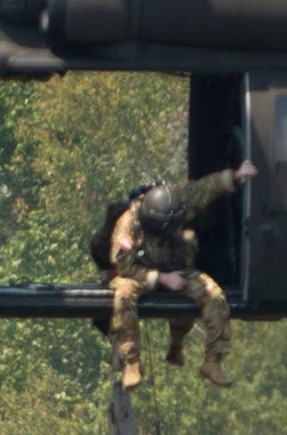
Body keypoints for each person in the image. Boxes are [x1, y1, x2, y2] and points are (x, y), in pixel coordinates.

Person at [104, 160, 255, 390]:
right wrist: (161, 279)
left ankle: (212, 360)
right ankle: (132, 362)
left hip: (175, 264)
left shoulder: (176, 200)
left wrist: (235, 175)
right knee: (122, 294)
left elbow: (204, 187)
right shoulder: (128, 227)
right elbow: (124, 267)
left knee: (213, 296)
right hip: (139, 272)